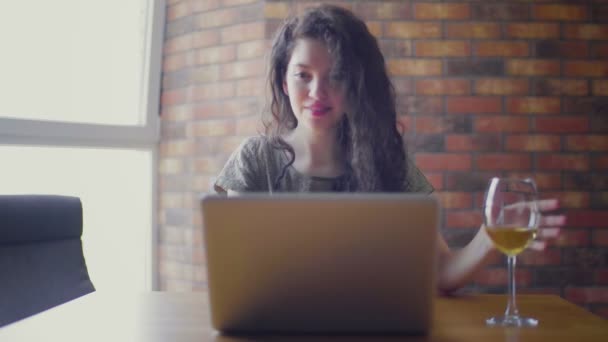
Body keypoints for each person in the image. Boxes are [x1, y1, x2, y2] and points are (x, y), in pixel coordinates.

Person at [213, 5, 564, 292]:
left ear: (357, 86)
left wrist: (490, 238)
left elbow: (441, 273)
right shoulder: (254, 159)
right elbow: (237, 276)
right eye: (303, 75)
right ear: (284, 83)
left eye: (336, 75)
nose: (318, 92)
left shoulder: (386, 160)